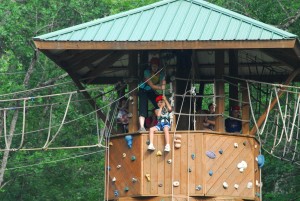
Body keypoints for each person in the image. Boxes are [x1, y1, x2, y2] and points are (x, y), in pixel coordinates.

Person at [138, 57, 166, 132]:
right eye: (153, 66)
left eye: (156, 66)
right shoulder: (147, 72)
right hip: (143, 89)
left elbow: (163, 82)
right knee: (142, 107)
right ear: (151, 66)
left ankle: (162, 122)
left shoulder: (161, 73)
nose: (154, 68)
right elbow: (152, 85)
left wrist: (163, 84)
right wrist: (161, 87)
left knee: (158, 102)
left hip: (151, 90)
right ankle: (142, 127)